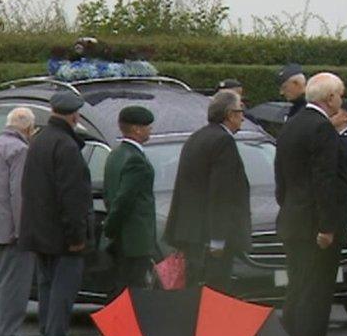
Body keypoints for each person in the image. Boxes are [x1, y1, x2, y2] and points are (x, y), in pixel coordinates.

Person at [275, 73, 347, 336]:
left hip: (293, 220)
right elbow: (325, 180)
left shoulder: (291, 125)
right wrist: (327, 226)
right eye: (340, 95)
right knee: (315, 297)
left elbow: (281, 177)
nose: (342, 101)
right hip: (314, 228)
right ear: (330, 98)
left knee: (296, 294)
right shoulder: (323, 130)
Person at [19, 91, 91, 336]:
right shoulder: (67, 146)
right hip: (61, 233)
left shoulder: (38, 141)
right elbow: (72, 196)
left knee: (48, 286)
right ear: (74, 115)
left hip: (39, 229)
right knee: (63, 286)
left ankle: (46, 335)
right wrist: (76, 235)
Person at [164, 90, 251, 291]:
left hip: (192, 232)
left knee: (195, 291)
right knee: (215, 293)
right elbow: (221, 192)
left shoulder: (197, 137)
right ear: (230, 114)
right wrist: (218, 238)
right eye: (240, 111)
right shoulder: (223, 141)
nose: (243, 117)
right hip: (210, 236)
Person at [0, 107, 37, 336]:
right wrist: (22, 228)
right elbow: (19, 194)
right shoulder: (20, 150)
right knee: (14, 283)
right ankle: (8, 332)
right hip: (11, 227)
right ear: (28, 128)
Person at [103, 106, 157, 294]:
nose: (150, 130)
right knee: (133, 290)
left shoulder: (115, 155)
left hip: (120, 238)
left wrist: (110, 230)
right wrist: (111, 227)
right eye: (147, 126)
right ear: (136, 129)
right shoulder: (136, 160)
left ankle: (116, 323)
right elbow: (124, 199)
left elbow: (108, 193)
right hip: (134, 239)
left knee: (119, 288)